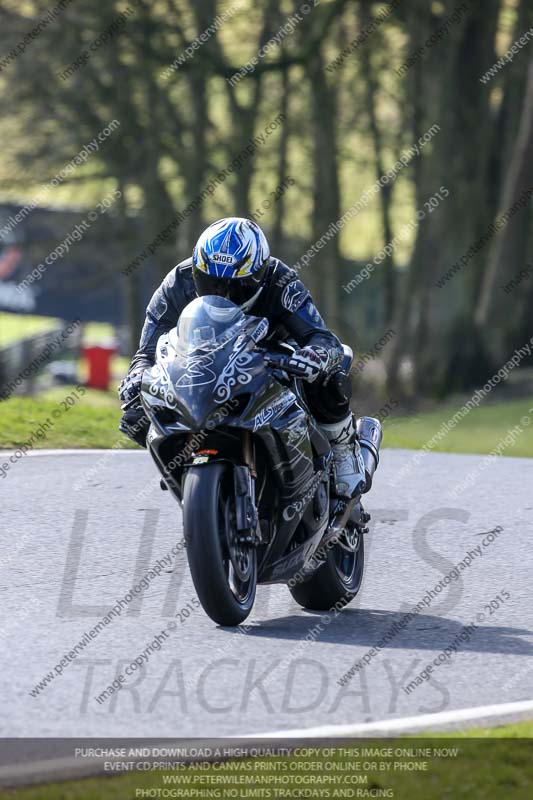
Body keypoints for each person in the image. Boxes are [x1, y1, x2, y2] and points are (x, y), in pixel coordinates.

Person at [119, 217, 366, 500]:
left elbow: (323, 339)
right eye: (211, 284)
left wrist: (313, 356)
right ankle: (186, 467)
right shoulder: (178, 282)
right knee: (136, 411)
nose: (223, 294)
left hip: (272, 358)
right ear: (198, 271)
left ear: (259, 276)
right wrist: (138, 373)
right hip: (203, 360)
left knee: (327, 378)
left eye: (235, 288)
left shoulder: (281, 282)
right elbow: (148, 349)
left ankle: (343, 451)